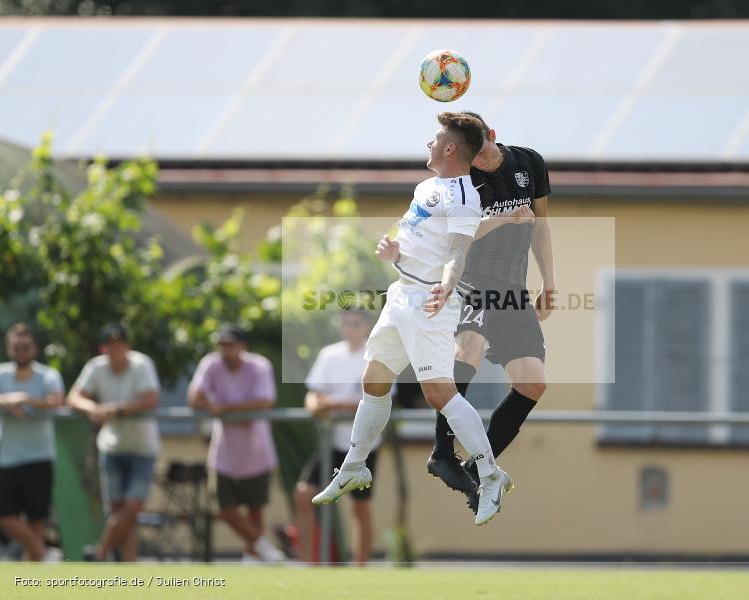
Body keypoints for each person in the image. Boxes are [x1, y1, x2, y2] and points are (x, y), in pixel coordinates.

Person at [312, 112, 513, 526]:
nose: (429, 144)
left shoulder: (463, 197)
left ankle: (490, 474)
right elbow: (421, 241)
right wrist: (394, 253)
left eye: (436, 138)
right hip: (400, 295)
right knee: (374, 381)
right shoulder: (426, 186)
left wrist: (446, 284)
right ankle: (354, 466)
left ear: (451, 148)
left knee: (439, 393)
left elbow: (458, 251)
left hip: (428, 303)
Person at [426, 111, 554, 513]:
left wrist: (549, 280)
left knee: (533, 383)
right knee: (468, 352)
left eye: (479, 151)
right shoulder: (458, 182)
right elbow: (455, 237)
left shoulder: (528, 162)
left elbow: (541, 223)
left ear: (492, 137)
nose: (475, 160)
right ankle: (442, 452)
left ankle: (480, 467)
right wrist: (502, 218)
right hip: (471, 282)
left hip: (512, 288)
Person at [188, 324, 284, 562]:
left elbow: (265, 402)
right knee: (225, 509)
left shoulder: (260, 366)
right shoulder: (210, 364)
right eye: (222, 345)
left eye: (230, 345)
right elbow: (194, 397)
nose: (225, 350)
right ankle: (265, 550)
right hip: (224, 455)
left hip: (256, 452)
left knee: (255, 510)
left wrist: (226, 409)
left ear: (243, 346)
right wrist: (217, 408)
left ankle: (252, 560)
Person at [67, 322, 161, 562]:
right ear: (102, 348)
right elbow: (74, 397)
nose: (115, 350)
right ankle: (129, 575)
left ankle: (100, 553)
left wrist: (118, 410)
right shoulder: (96, 368)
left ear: (127, 347)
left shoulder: (142, 364)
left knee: (132, 508)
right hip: (111, 447)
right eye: (110, 346)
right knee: (119, 514)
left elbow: (151, 399)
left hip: (142, 447)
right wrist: (94, 409)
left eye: (119, 345)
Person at [293, 309, 375, 564]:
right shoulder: (329, 355)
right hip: (331, 442)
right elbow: (313, 395)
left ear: (367, 327)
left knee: (359, 507)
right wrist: (316, 406)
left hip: (364, 445)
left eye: (356, 323)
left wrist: (333, 405)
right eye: (346, 323)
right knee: (304, 494)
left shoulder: (377, 355)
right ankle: (307, 563)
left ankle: (360, 569)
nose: (349, 328)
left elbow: (377, 400)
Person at [0, 323, 64, 562]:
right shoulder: (1, 374)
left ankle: (32, 581)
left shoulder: (48, 375)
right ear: (9, 349)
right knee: (5, 516)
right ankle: (44, 554)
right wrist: (8, 402)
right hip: (7, 458)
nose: (21, 351)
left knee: (36, 519)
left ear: (34, 349)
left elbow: (56, 401)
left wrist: (26, 400)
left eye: (25, 347)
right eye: (16, 347)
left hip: (38, 457)